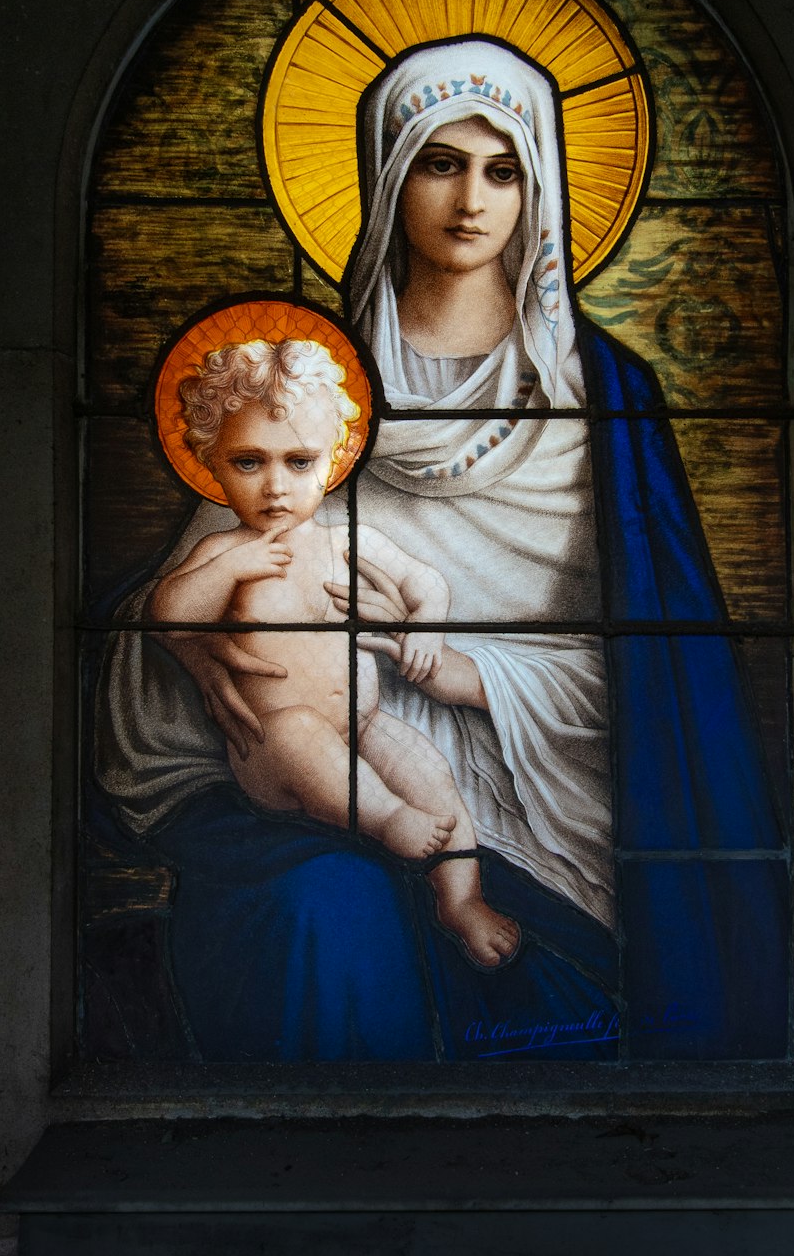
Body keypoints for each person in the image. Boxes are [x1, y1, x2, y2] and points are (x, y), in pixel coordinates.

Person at [97, 37, 788, 1063]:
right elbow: (186, 619)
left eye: (502, 168)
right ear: (388, 175)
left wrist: (473, 672)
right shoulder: (300, 384)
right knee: (321, 909)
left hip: (550, 790)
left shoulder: (600, 395)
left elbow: (668, 669)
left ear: (538, 188)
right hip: (319, 777)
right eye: (439, 160)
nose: (472, 198)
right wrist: (199, 647)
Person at [149, 334, 520, 967]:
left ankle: (460, 899)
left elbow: (424, 581)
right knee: (297, 730)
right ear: (211, 460)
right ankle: (384, 822)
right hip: (275, 752)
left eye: (298, 462)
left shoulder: (347, 540)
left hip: (362, 725)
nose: (274, 487)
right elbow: (167, 615)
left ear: (335, 457)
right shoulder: (223, 554)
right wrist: (235, 563)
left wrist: (427, 620)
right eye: (248, 462)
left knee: (431, 770)